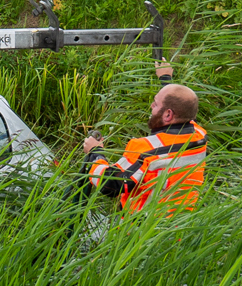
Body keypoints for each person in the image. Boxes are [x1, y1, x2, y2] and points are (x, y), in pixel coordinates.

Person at [82, 83, 207, 214]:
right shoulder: (200, 135)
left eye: (155, 104)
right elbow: (182, 107)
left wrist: (95, 152)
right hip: (179, 224)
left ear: (168, 114)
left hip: (143, 229)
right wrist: (165, 78)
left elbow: (110, 184)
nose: (151, 106)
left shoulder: (145, 148)